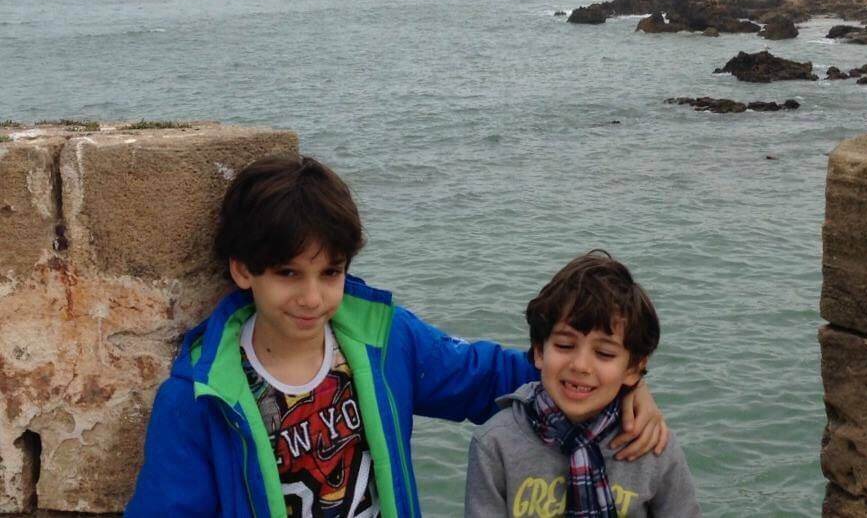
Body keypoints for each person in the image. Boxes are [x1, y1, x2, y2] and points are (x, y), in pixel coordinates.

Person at [126, 156, 668, 518]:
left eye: (330, 273)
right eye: (288, 274)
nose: (312, 298)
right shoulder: (200, 398)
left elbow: (491, 378)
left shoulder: (384, 343)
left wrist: (621, 386)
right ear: (244, 270)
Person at [465, 250, 699, 518]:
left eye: (605, 353)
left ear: (633, 368)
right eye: (565, 345)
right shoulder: (494, 444)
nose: (580, 365)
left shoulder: (653, 444)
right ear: (539, 351)